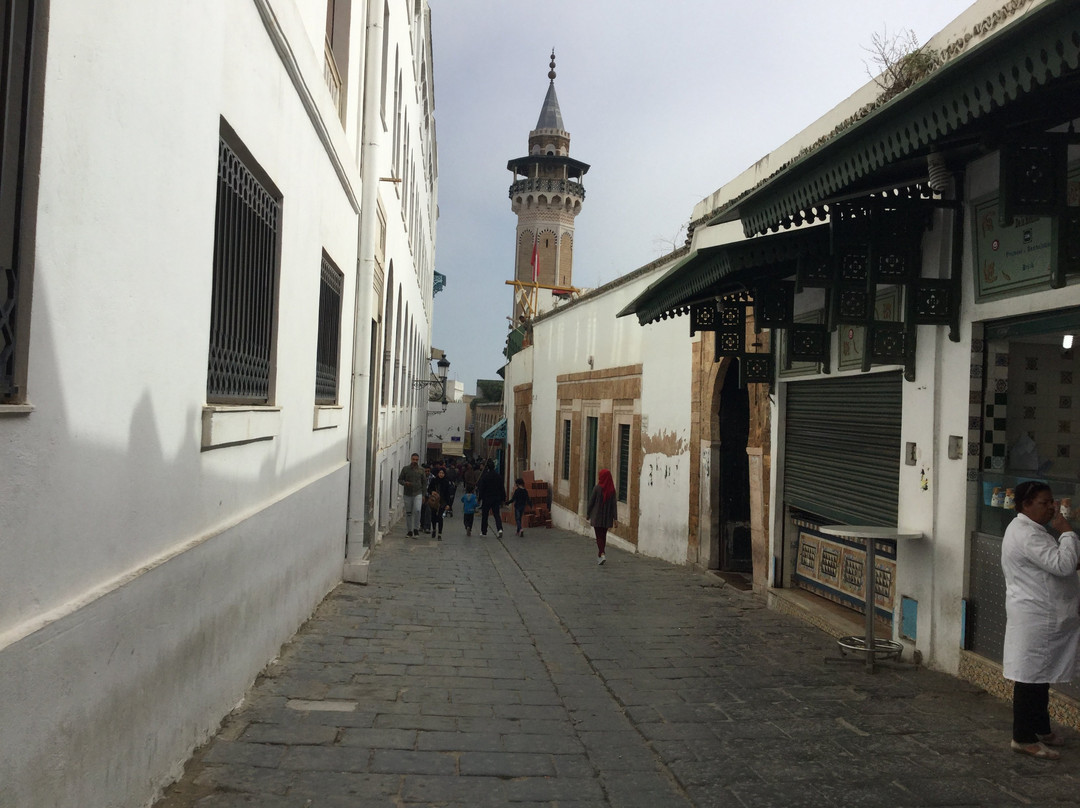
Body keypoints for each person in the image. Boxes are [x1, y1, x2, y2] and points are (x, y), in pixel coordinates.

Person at [1001, 480, 1080, 760]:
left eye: (1051, 502)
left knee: (1039, 676)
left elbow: (1055, 561)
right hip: (1036, 616)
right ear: (1026, 505)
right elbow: (1062, 565)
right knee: (1030, 678)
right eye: (1044, 503)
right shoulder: (1027, 534)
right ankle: (1022, 737)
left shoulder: (1031, 530)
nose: (1051, 508)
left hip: (1041, 615)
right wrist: (1067, 532)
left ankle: (1041, 728)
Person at [587, 469, 618, 565]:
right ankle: (600, 555)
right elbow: (614, 505)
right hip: (607, 517)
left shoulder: (597, 488)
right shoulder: (612, 490)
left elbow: (591, 502)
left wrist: (588, 514)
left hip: (597, 516)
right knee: (603, 536)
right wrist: (615, 518)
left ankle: (602, 553)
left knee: (598, 536)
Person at [396, 453, 425, 538]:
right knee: (409, 513)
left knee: (417, 510)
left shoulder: (421, 470)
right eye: (413, 459)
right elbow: (400, 479)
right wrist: (405, 483)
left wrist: (423, 494)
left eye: (416, 460)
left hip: (418, 493)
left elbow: (424, 482)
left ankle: (416, 529)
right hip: (408, 493)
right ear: (411, 459)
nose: (415, 461)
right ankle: (409, 530)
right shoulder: (406, 469)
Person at [477, 460, 506, 538]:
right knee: (496, 514)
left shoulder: (485, 477)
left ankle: (484, 532)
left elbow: (481, 488)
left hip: (486, 498)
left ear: (487, 467)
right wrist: (503, 498)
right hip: (496, 498)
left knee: (485, 515)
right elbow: (502, 488)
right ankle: (499, 529)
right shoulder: (498, 476)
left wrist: (479, 498)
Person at [428, 468, 453, 540]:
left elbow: (448, 494)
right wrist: (432, 492)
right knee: (433, 516)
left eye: (442, 473)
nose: (441, 474)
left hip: (442, 502)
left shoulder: (446, 482)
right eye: (440, 473)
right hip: (434, 501)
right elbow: (429, 489)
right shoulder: (434, 481)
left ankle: (439, 534)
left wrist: (448, 504)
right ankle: (434, 529)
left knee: (440, 517)